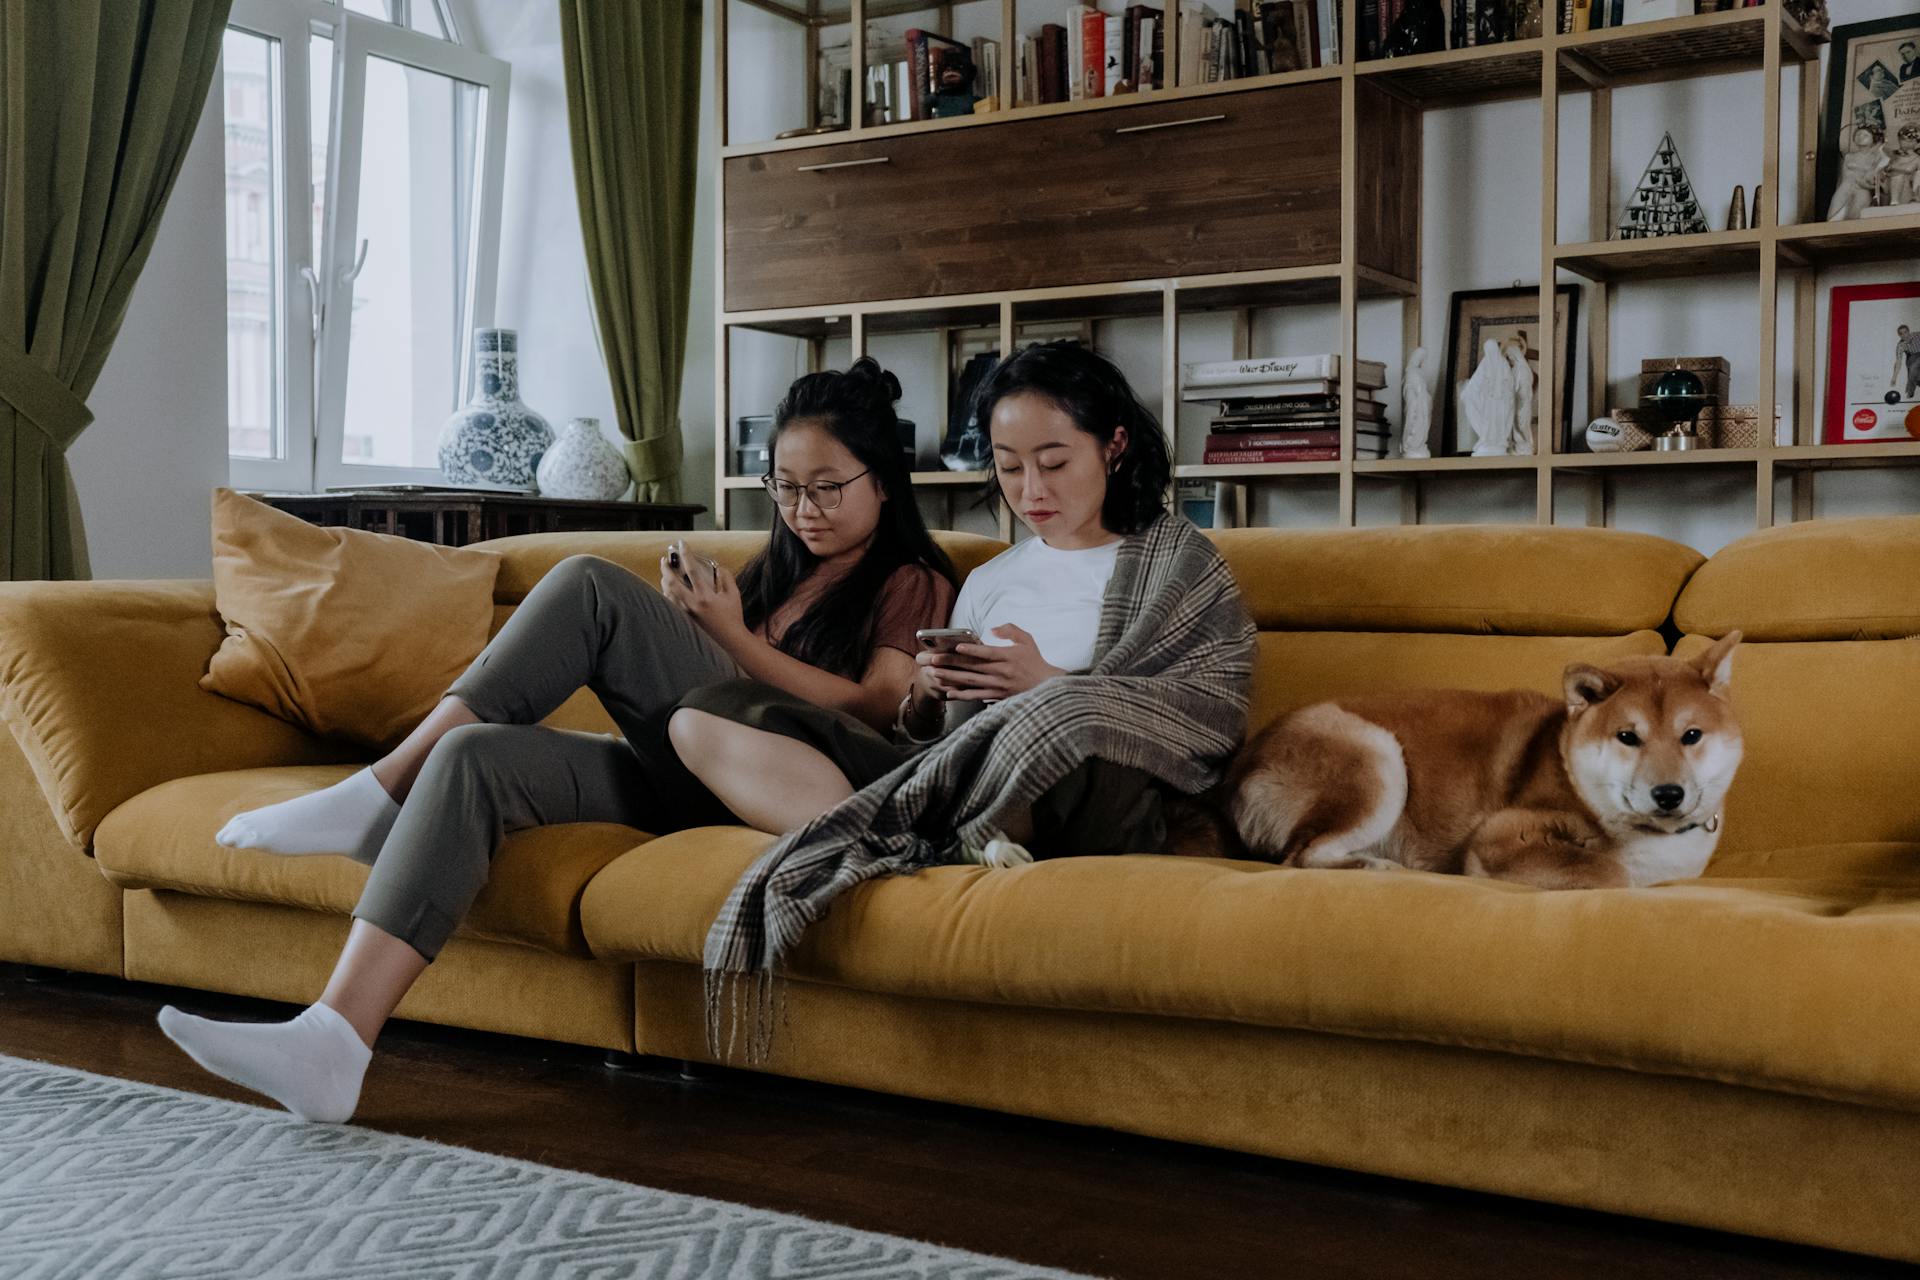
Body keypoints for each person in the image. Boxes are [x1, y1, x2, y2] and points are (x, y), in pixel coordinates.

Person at [157, 358, 958, 1123]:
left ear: (882, 484)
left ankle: (379, 790)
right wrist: (707, 623)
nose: (803, 508)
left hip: (776, 786)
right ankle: (334, 1041)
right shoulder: (774, 573)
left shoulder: (911, 579)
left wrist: (731, 636)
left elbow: (875, 715)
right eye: (784, 487)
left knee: (588, 586)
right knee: (471, 760)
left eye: (827, 488)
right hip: (685, 775)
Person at [672, 342, 1258, 1064]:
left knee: (1061, 715)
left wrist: (1047, 686)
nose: (1031, 489)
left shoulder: (1180, 564)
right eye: (1009, 467)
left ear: (1114, 446)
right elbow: (924, 743)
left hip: (1094, 790)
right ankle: (931, 837)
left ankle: (921, 835)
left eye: (1054, 461)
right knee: (718, 706)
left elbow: (1209, 714)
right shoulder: (992, 578)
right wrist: (926, 695)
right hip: (963, 779)